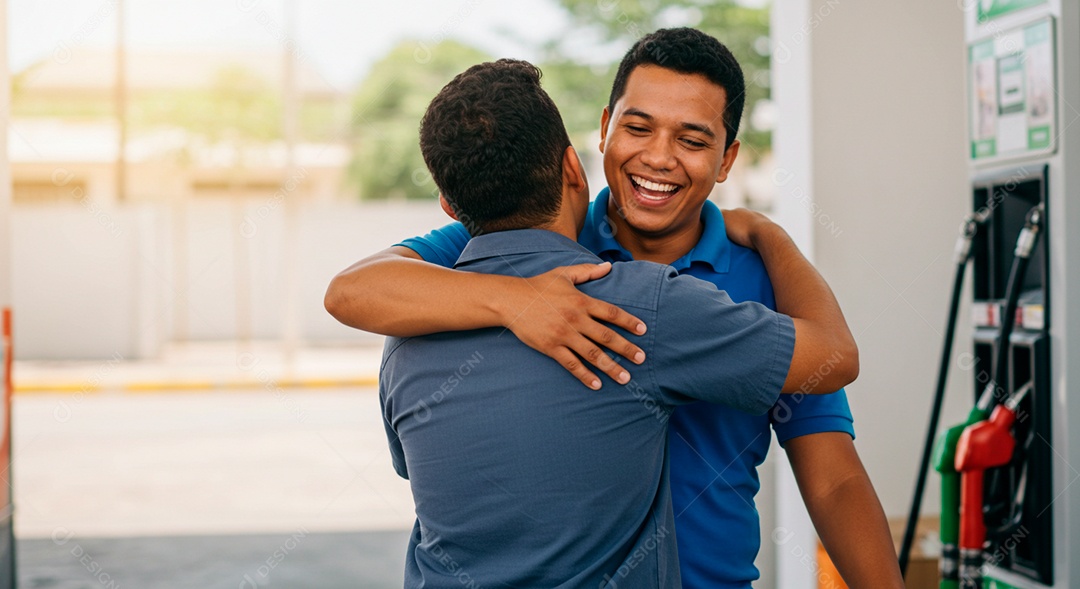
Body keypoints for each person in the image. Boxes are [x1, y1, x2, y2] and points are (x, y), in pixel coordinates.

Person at [327, 29, 903, 588]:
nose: (659, 157)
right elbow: (354, 290)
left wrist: (772, 237)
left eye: (693, 140)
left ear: (726, 160)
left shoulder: (768, 287)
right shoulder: (523, 237)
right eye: (638, 127)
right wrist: (518, 301)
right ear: (603, 130)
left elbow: (833, 481)